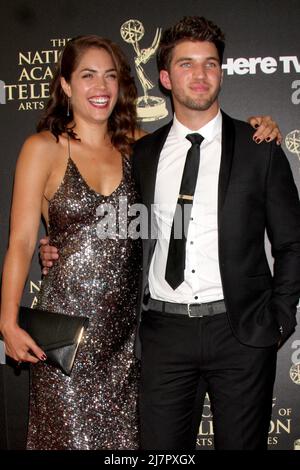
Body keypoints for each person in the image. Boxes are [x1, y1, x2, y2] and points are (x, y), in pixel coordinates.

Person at [131, 16, 300, 450]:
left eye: (210, 63)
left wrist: (279, 319)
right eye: (186, 64)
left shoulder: (259, 148)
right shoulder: (141, 155)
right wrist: (57, 246)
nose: (201, 74)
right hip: (163, 334)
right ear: (166, 78)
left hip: (240, 332)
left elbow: (291, 243)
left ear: (221, 72)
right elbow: (121, 231)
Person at [0, 35, 145, 450]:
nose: (101, 87)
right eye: (88, 76)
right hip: (66, 341)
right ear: (65, 84)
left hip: (126, 346)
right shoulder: (43, 148)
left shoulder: (141, 145)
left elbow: (202, 152)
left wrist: (255, 131)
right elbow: (23, 240)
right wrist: (8, 321)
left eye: (110, 76)